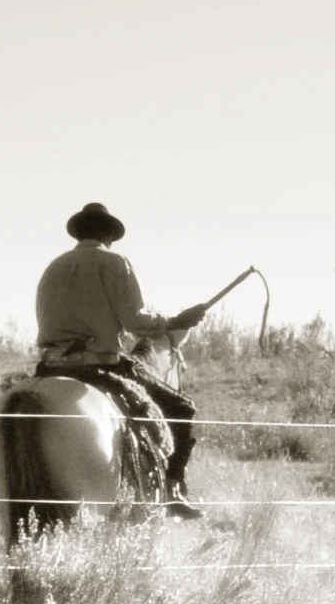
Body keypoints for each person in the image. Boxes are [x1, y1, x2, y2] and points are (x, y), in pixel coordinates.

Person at [33, 202, 211, 518]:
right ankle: (173, 489)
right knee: (182, 408)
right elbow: (134, 321)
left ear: (79, 233)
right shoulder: (114, 262)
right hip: (97, 364)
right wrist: (173, 321)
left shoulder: (54, 266)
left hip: (49, 365)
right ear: (109, 234)